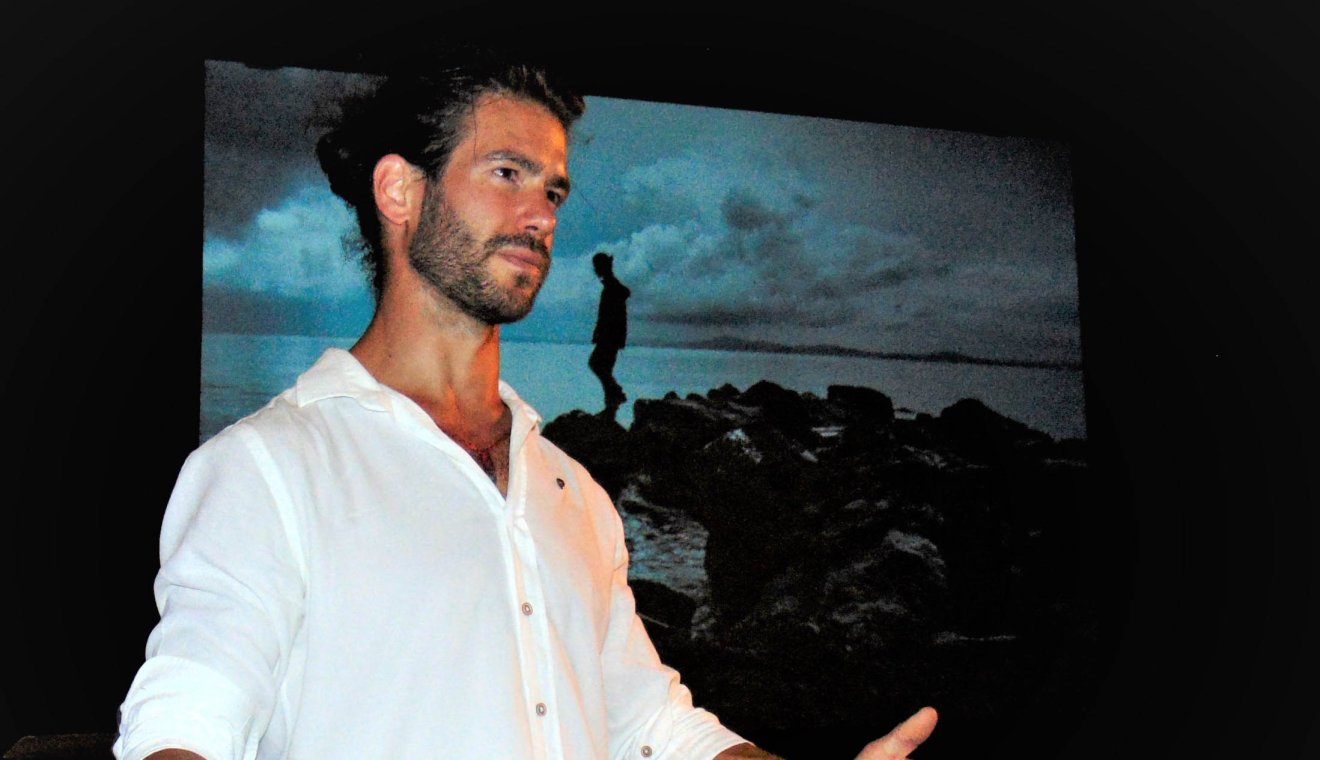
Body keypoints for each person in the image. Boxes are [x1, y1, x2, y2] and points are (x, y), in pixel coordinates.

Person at [113, 53, 937, 760]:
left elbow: (650, 725)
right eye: (507, 173)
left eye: (554, 191)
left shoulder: (574, 492)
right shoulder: (268, 468)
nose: (542, 215)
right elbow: (187, 716)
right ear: (399, 190)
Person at [588, 250, 630, 416]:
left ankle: (615, 395)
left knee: (597, 364)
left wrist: (602, 333)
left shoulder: (611, 288)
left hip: (609, 336)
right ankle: (611, 407)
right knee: (604, 367)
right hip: (611, 336)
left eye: (596, 267)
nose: (595, 270)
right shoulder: (611, 286)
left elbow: (610, 316)